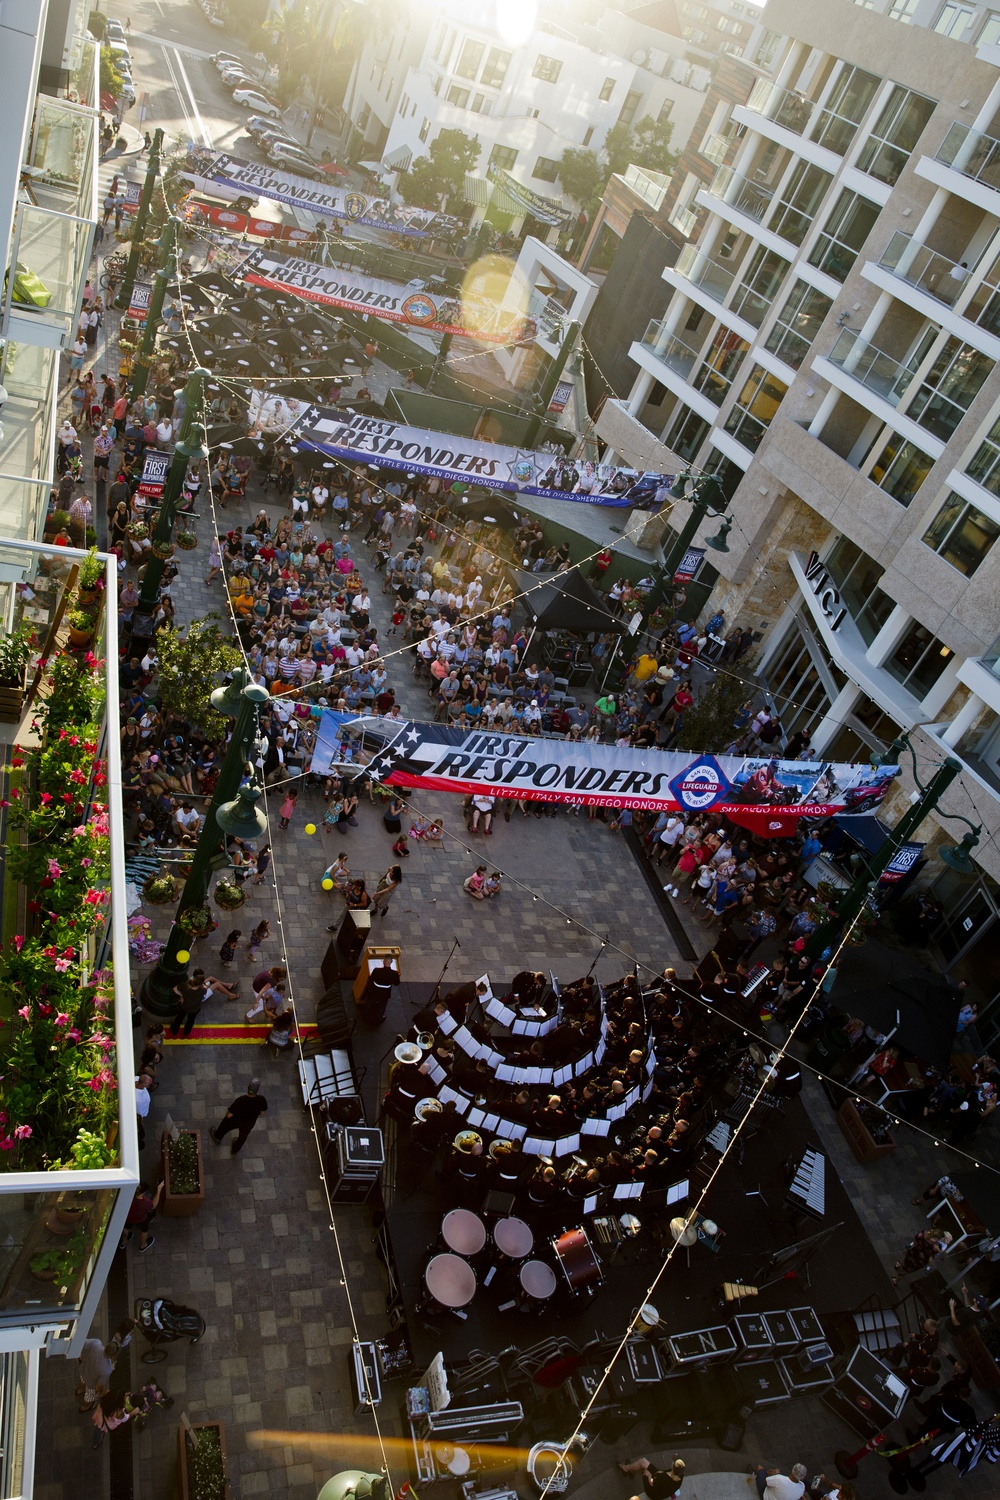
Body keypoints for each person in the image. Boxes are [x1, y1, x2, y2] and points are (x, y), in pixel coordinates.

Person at [209, 1079, 268, 1155]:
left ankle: (217, 1137)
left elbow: (228, 1115)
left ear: (248, 1088)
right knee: (243, 1137)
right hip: (249, 1123)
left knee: (225, 1124)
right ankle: (235, 1149)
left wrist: (229, 1110)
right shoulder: (261, 1099)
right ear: (257, 1091)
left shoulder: (240, 1101)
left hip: (236, 1120)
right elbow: (262, 1112)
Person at [617, 1458, 685, 1499]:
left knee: (644, 1469)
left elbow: (652, 1482)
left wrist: (649, 1475)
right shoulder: (680, 1476)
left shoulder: (662, 1477)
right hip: (662, 1490)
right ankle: (631, 1471)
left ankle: (625, 1469)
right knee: (643, 1464)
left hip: (652, 1493)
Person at [363, 956, 400, 1023]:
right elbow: (397, 983)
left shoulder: (376, 970)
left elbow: (371, 979)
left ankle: (365, 1014)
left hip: (374, 991)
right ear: (391, 962)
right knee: (383, 1004)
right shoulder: (394, 974)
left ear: (383, 962)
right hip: (385, 993)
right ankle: (379, 1017)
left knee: (370, 1001)